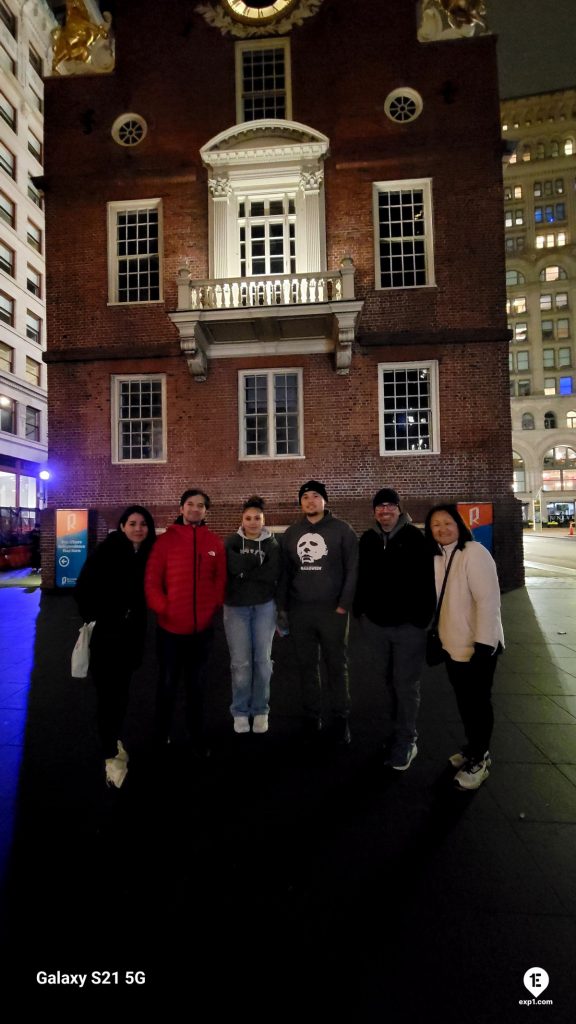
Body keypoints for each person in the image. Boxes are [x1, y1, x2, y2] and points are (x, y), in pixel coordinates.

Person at [354, 488, 436, 771]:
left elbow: (429, 580)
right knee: (388, 681)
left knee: (406, 684)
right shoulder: (368, 538)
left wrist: (421, 619)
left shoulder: (416, 538)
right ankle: (396, 731)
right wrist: (361, 611)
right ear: (374, 511)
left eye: (390, 506)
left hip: (408, 629)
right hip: (376, 625)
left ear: (400, 509)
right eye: (380, 506)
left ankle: (407, 739)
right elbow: (360, 576)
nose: (385, 511)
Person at [75, 505, 156, 788]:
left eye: (143, 523)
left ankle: (112, 739)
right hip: (108, 636)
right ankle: (109, 749)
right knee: (107, 693)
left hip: (131, 636)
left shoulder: (147, 554)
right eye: (132, 523)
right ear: (122, 526)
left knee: (120, 693)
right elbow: (83, 588)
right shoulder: (107, 552)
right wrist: (99, 617)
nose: (138, 528)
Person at [424, 503, 504, 790]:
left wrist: (484, 645)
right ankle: (473, 748)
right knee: (465, 702)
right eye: (435, 524)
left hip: (479, 645)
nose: (442, 529)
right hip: (452, 645)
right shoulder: (437, 557)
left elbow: (488, 601)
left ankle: (480, 759)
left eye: (447, 522)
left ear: (459, 524)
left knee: (479, 703)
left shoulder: (474, 553)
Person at [145, 488, 226, 757]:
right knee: (167, 684)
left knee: (197, 686)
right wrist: (163, 607)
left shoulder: (213, 542)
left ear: (206, 511)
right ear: (181, 509)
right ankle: (161, 734)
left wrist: (211, 606)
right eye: (190, 504)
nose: (195, 509)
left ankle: (196, 736)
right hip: (169, 630)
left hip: (201, 630)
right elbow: (152, 580)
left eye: (200, 505)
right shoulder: (165, 542)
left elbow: (219, 579)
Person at [278, 480, 358, 744]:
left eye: (315, 496)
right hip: (301, 612)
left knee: (337, 665)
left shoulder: (342, 531)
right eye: (305, 497)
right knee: (307, 666)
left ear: (325, 500)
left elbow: (353, 571)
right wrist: (284, 608)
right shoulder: (292, 533)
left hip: (332, 611)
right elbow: (285, 574)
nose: (310, 501)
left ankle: (341, 718)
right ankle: (312, 716)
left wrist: (343, 605)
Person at [223, 496, 282, 735]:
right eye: (248, 518)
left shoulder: (273, 544)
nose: (253, 522)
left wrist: (245, 570)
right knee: (240, 662)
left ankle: (260, 709)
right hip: (236, 608)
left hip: (264, 607)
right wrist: (254, 565)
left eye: (257, 518)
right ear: (242, 520)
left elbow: (271, 573)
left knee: (262, 661)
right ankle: (240, 710)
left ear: (263, 520)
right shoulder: (231, 542)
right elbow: (232, 568)